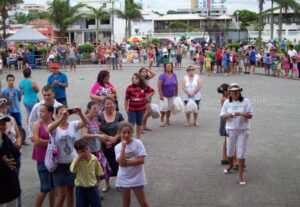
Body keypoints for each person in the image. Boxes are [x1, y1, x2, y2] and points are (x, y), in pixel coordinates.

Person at [48, 105, 88, 207]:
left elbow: (86, 123)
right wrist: (61, 118)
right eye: (60, 113)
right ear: (56, 115)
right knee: (61, 194)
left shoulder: (73, 124)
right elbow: (49, 129)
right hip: (59, 164)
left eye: (65, 113)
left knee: (71, 191)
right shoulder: (54, 127)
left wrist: (80, 113)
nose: (64, 115)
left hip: (73, 162)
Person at [220, 83, 254, 185]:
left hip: (243, 130)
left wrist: (242, 113)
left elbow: (250, 115)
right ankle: (230, 165)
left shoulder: (246, 101)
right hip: (231, 129)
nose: (235, 93)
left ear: (240, 92)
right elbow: (223, 116)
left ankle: (240, 175)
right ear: (229, 93)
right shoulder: (226, 102)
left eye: (237, 91)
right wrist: (229, 115)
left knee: (241, 152)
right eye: (233, 91)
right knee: (230, 152)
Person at [115, 122, 149, 207]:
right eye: (124, 132)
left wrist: (126, 162)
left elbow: (141, 160)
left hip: (137, 176)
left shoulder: (138, 143)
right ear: (119, 134)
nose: (126, 135)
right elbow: (121, 163)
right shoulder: (118, 147)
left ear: (132, 133)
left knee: (143, 202)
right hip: (124, 177)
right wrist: (123, 147)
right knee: (126, 202)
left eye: (129, 132)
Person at [82, 101, 112, 193]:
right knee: (92, 173)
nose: (96, 110)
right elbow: (84, 135)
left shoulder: (95, 120)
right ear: (88, 109)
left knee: (102, 170)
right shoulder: (85, 120)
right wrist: (98, 136)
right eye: (94, 108)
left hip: (98, 150)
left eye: (97, 108)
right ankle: (94, 192)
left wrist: (105, 141)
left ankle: (98, 190)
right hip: (89, 152)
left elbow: (97, 133)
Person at [98, 97, 124, 191]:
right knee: (106, 163)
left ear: (114, 104)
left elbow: (122, 128)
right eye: (107, 104)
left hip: (117, 142)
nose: (109, 105)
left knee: (118, 163)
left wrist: (115, 138)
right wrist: (108, 139)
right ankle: (106, 183)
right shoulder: (100, 116)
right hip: (105, 143)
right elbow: (98, 130)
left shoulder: (119, 115)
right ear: (103, 105)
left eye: (110, 103)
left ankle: (119, 183)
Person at [32, 104, 55, 207]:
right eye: (40, 111)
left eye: (43, 111)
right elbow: (37, 141)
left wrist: (45, 141)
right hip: (41, 158)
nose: (40, 114)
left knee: (53, 187)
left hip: (53, 158)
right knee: (45, 187)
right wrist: (51, 142)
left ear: (50, 113)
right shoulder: (37, 124)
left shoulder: (54, 123)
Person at [70, 139, 103, 207]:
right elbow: (72, 170)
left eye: (87, 149)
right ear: (77, 152)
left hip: (92, 188)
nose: (86, 152)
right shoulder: (77, 160)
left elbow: (98, 171)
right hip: (81, 189)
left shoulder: (94, 159)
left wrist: (98, 182)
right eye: (82, 151)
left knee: (96, 204)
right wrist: (79, 158)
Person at [0, 114, 21, 207]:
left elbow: (16, 154)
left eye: (4, 124)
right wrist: (3, 161)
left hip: (9, 184)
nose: (3, 126)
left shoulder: (5, 138)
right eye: (0, 124)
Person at [125, 73, 154, 139]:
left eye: (136, 78)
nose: (134, 80)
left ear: (139, 79)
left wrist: (147, 97)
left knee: (139, 124)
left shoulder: (144, 87)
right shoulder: (129, 88)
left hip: (141, 109)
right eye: (133, 78)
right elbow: (126, 99)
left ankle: (138, 138)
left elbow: (152, 91)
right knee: (131, 124)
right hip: (132, 109)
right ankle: (130, 138)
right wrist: (126, 108)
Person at [139, 67, 155, 132]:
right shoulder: (139, 80)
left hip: (148, 96)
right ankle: (140, 126)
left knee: (147, 112)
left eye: (145, 71)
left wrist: (147, 68)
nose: (145, 73)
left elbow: (153, 74)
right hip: (143, 97)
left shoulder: (146, 78)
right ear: (140, 73)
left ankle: (144, 126)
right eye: (143, 71)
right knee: (148, 111)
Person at [217, 84, 229, 165]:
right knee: (227, 139)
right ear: (224, 91)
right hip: (226, 119)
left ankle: (225, 157)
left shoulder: (226, 98)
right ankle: (224, 156)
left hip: (225, 118)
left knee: (227, 139)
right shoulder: (224, 99)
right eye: (228, 90)